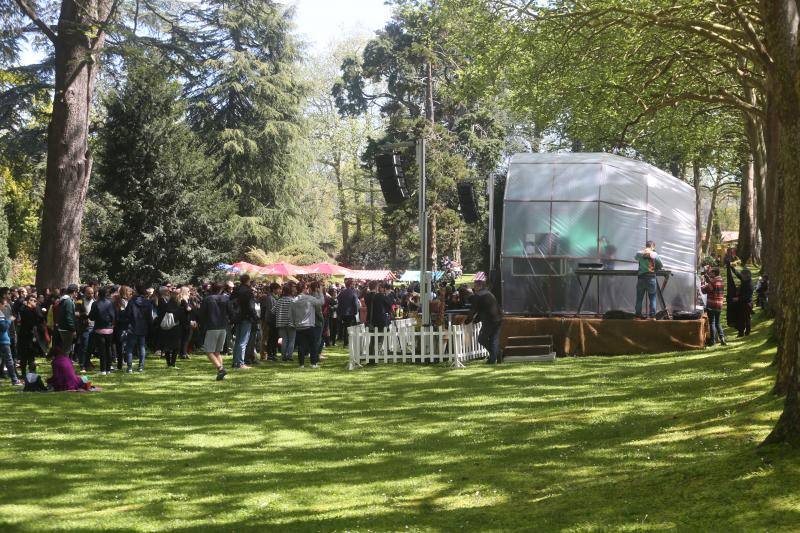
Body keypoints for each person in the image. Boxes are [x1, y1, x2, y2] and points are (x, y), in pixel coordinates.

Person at [465, 279, 502, 364]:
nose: (474, 288)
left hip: (489, 320)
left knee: (482, 339)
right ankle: (497, 355)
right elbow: (483, 308)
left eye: (475, 286)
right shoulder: (489, 293)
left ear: (479, 286)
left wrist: (467, 321)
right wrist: (476, 320)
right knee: (494, 339)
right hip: (498, 318)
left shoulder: (477, 296)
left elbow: (473, 310)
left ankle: (493, 357)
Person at [200, 282, 228, 380]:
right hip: (223, 327)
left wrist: (201, 325)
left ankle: (220, 369)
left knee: (208, 351)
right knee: (217, 352)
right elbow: (230, 311)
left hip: (212, 327)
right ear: (221, 289)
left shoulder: (208, 299)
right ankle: (221, 373)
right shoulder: (226, 298)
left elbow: (202, 313)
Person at [292, 282, 324, 368]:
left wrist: (294, 323)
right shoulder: (309, 298)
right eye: (306, 288)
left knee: (301, 346)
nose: (308, 289)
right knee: (313, 345)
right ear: (303, 289)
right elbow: (321, 302)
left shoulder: (294, 300)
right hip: (309, 325)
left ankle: (301, 364)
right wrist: (321, 292)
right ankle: (313, 363)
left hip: (299, 326)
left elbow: (291, 314)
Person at [230, 274, 257, 370]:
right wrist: (255, 317)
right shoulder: (248, 291)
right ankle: (240, 363)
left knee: (238, 340)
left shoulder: (236, 290)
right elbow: (251, 306)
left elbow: (231, 302)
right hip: (246, 317)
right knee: (243, 341)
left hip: (237, 317)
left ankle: (235, 362)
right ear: (248, 281)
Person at [125, 284, 153, 373]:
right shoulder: (147, 302)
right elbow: (149, 317)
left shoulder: (132, 301)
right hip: (143, 327)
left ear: (137, 291)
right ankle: (141, 367)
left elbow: (127, 314)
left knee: (130, 348)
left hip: (133, 327)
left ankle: (129, 367)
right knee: (141, 347)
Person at [89, 287, 116, 375]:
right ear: (106, 293)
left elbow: (91, 317)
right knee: (108, 349)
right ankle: (108, 369)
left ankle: (103, 370)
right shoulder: (110, 303)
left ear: (98, 294)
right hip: (109, 329)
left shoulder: (95, 304)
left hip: (99, 329)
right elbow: (113, 316)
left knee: (102, 350)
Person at [634, 241, 663, 319]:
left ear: (646, 246)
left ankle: (637, 316)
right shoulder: (654, 254)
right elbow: (660, 265)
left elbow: (636, 258)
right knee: (652, 298)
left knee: (639, 298)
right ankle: (652, 316)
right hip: (651, 278)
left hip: (641, 278)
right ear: (652, 246)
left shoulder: (639, 253)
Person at [701, 266, 727, 346]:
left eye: (711, 272)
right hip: (719, 304)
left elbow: (704, 290)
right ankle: (722, 338)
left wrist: (702, 282)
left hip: (712, 304)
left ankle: (713, 341)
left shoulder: (713, 281)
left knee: (712, 322)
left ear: (714, 273)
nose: (710, 273)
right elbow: (712, 287)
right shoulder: (721, 280)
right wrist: (708, 280)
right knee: (718, 322)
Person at [274, 283, 297, 361]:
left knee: (284, 340)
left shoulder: (279, 300)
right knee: (291, 340)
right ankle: (289, 356)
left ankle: (283, 356)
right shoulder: (293, 300)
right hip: (291, 323)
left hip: (280, 323)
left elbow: (273, 311)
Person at [730, 264, 754, 337]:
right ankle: (741, 332)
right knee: (740, 318)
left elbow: (747, 297)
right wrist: (731, 267)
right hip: (741, 303)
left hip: (747, 303)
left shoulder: (749, 285)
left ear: (746, 276)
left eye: (743, 275)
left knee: (747, 318)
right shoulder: (744, 280)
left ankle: (747, 332)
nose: (742, 276)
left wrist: (738, 299)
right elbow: (737, 274)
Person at [0, 306, 22, 385]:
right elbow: (3, 327)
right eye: (4, 304)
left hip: (4, 340)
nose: (5, 307)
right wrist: (9, 320)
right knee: (9, 360)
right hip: (3, 340)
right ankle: (14, 380)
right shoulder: (1, 314)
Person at [260, 283, 281, 361]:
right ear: (274, 289)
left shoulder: (276, 297)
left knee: (274, 338)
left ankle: (273, 353)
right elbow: (271, 310)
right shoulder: (270, 298)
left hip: (275, 320)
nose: (279, 290)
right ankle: (269, 354)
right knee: (270, 338)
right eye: (278, 289)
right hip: (270, 321)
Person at [57, 284, 79, 356]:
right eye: (76, 292)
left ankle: (63, 361)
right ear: (74, 292)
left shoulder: (63, 300)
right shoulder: (68, 301)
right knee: (66, 349)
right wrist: (73, 329)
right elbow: (69, 316)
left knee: (65, 348)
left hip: (62, 327)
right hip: (67, 329)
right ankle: (64, 362)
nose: (77, 294)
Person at [337, 279, 359, 346]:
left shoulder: (342, 292)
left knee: (345, 327)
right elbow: (355, 303)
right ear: (351, 285)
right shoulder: (353, 292)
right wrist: (356, 311)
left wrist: (339, 312)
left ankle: (345, 341)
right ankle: (347, 342)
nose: (354, 285)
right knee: (350, 327)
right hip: (350, 313)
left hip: (343, 313)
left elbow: (339, 301)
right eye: (353, 284)